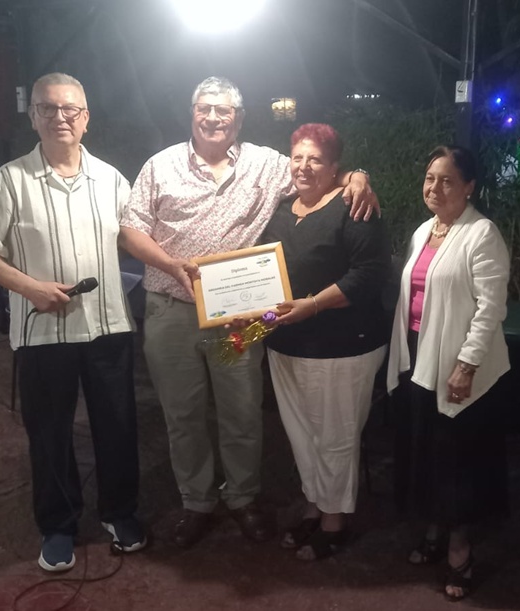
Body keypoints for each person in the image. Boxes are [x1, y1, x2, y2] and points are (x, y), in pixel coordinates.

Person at [119, 77, 376, 549]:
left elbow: (316, 173)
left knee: (242, 410)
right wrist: (172, 265)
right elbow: (130, 231)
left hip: (240, 318)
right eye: (205, 108)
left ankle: (242, 498)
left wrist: (357, 176)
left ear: (238, 119)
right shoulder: (160, 165)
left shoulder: (266, 164)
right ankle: (196, 501)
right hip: (171, 311)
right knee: (182, 414)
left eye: (224, 111)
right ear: (192, 113)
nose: (213, 118)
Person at [0, 73, 146, 572]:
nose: (60, 117)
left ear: (86, 118)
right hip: (42, 330)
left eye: (70, 109)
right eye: (48, 108)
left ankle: (120, 513)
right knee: (49, 433)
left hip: (108, 325)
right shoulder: (9, 181)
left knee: (118, 426)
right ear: (33, 117)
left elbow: (133, 237)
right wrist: (31, 288)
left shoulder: (111, 179)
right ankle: (58, 525)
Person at [259, 123, 390, 560]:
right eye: (297, 157)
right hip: (286, 344)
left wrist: (313, 305)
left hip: (342, 345)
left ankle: (335, 521)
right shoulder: (281, 209)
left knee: (334, 436)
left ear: (335, 167)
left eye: (315, 159)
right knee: (301, 433)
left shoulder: (354, 206)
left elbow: (369, 274)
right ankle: (314, 506)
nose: (304, 166)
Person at [386, 145, 510, 601]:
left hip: (459, 362)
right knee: (428, 453)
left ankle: (461, 553)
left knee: (457, 461)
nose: (434, 187)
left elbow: (490, 308)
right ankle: (434, 531)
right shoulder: (424, 231)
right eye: (429, 178)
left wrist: (466, 365)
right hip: (420, 354)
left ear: (469, 186)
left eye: (447, 180)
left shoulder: (482, 233)